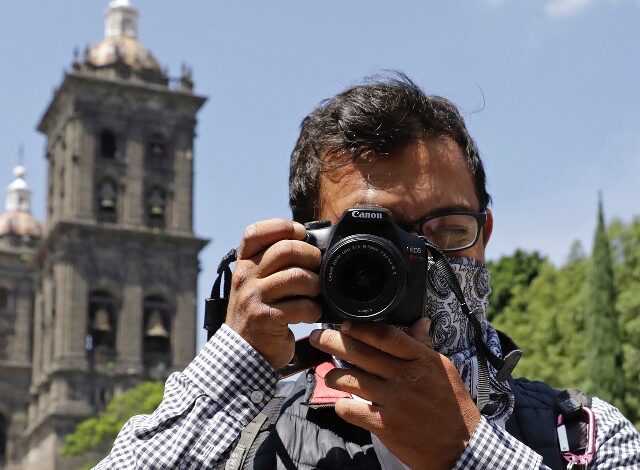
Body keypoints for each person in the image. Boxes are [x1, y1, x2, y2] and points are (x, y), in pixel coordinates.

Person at [95, 74, 640, 469]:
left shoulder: (586, 438)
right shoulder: (239, 434)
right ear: (308, 250)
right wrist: (236, 359)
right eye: (375, 243)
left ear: (485, 235)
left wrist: (467, 450)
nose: (414, 261)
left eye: (447, 231)